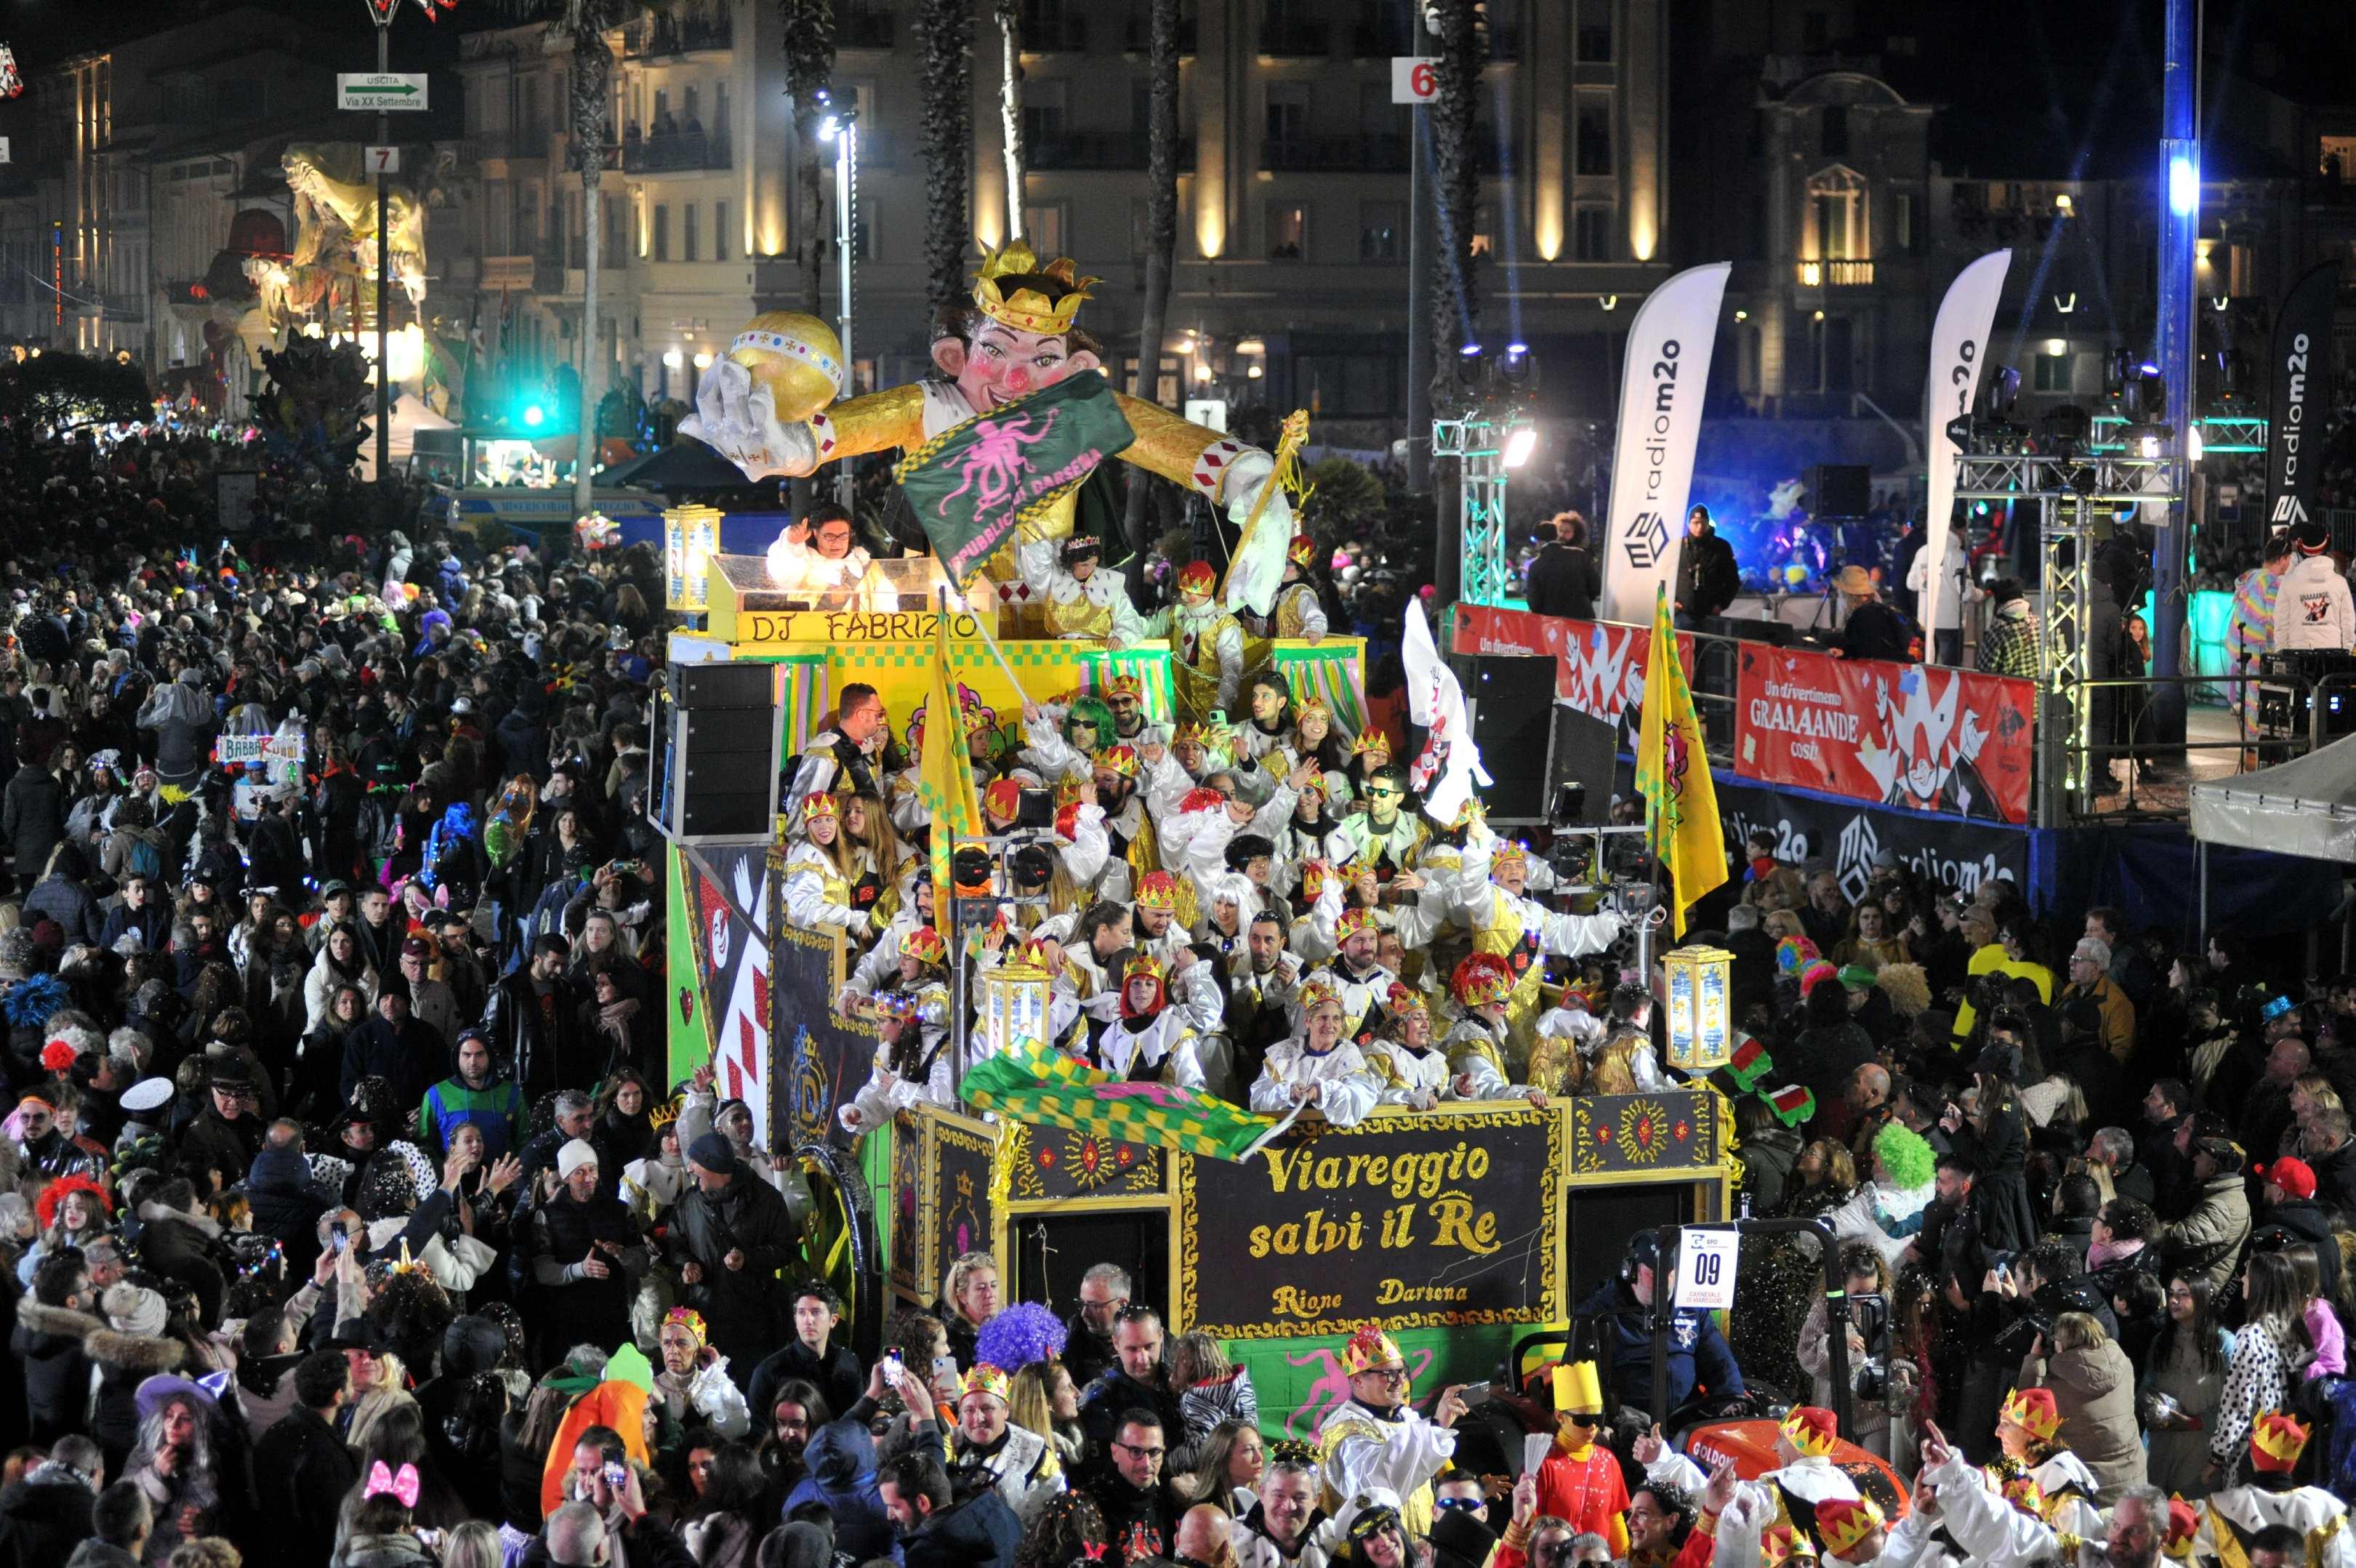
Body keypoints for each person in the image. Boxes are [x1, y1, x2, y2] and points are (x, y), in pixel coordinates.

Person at [666, 1133, 795, 1382]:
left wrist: (748, 1259)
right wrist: (687, 1263)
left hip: (753, 1320)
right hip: (705, 1316)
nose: (690, 1169)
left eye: (695, 1163)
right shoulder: (689, 1202)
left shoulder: (766, 1200)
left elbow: (786, 1249)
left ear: (715, 1167)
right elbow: (676, 1242)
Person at [1315, 1324, 1464, 1538]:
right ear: (1357, 1380)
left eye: (1402, 1371)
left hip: (1412, 1549)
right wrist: (1436, 1426)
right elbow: (1377, 1487)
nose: (1401, 1381)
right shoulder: (1345, 1432)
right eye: (1388, 1374)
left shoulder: (1407, 1418)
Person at [1575, 1231, 1746, 1415]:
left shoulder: (1691, 1308)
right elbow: (1577, 1377)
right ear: (1631, 1272)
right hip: (1627, 1417)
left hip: (1686, 1414)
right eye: (1653, 1274)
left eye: (1670, 1273)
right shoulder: (1597, 1314)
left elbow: (1719, 1362)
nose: (1665, 1281)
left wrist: (1731, 1400)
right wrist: (1593, 1424)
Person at [252, 1348, 361, 1566]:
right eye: (349, 1381)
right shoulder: (325, 1453)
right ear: (337, 1396)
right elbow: (333, 1522)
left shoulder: (274, 1432)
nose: (353, 1384)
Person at [877, 1447, 1021, 1568]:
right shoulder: (1006, 1515)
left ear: (922, 1502)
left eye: (895, 1506)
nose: (890, 1515)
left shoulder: (926, 1555)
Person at [2270, 517, 2354, 653]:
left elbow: (2281, 625)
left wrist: (2283, 654)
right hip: (2333, 656)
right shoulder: (2340, 583)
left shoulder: (2288, 583)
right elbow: (2348, 624)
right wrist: (2345, 653)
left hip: (2297, 657)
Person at [1523, 515, 1601, 622]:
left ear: (1538, 541)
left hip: (1553, 625)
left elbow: (1534, 604)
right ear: (1556, 535)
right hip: (1583, 620)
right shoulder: (1580, 555)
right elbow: (1596, 586)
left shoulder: (1536, 566)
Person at [1673, 506, 1740, 629]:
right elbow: (1664, 577)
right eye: (1695, 523)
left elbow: (1733, 581)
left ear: (1708, 523)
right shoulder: (1677, 547)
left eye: (1703, 523)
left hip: (1709, 616)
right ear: (1689, 524)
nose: (1699, 527)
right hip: (1681, 614)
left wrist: (1721, 604)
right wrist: (1672, 601)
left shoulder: (1721, 548)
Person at [1832, 566, 1913, 662]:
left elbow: (1869, 650)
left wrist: (1846, 652)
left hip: (1887, 671)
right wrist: (1845, 652)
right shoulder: (1878, 609)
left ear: (1848, 595)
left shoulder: (1864, 615)